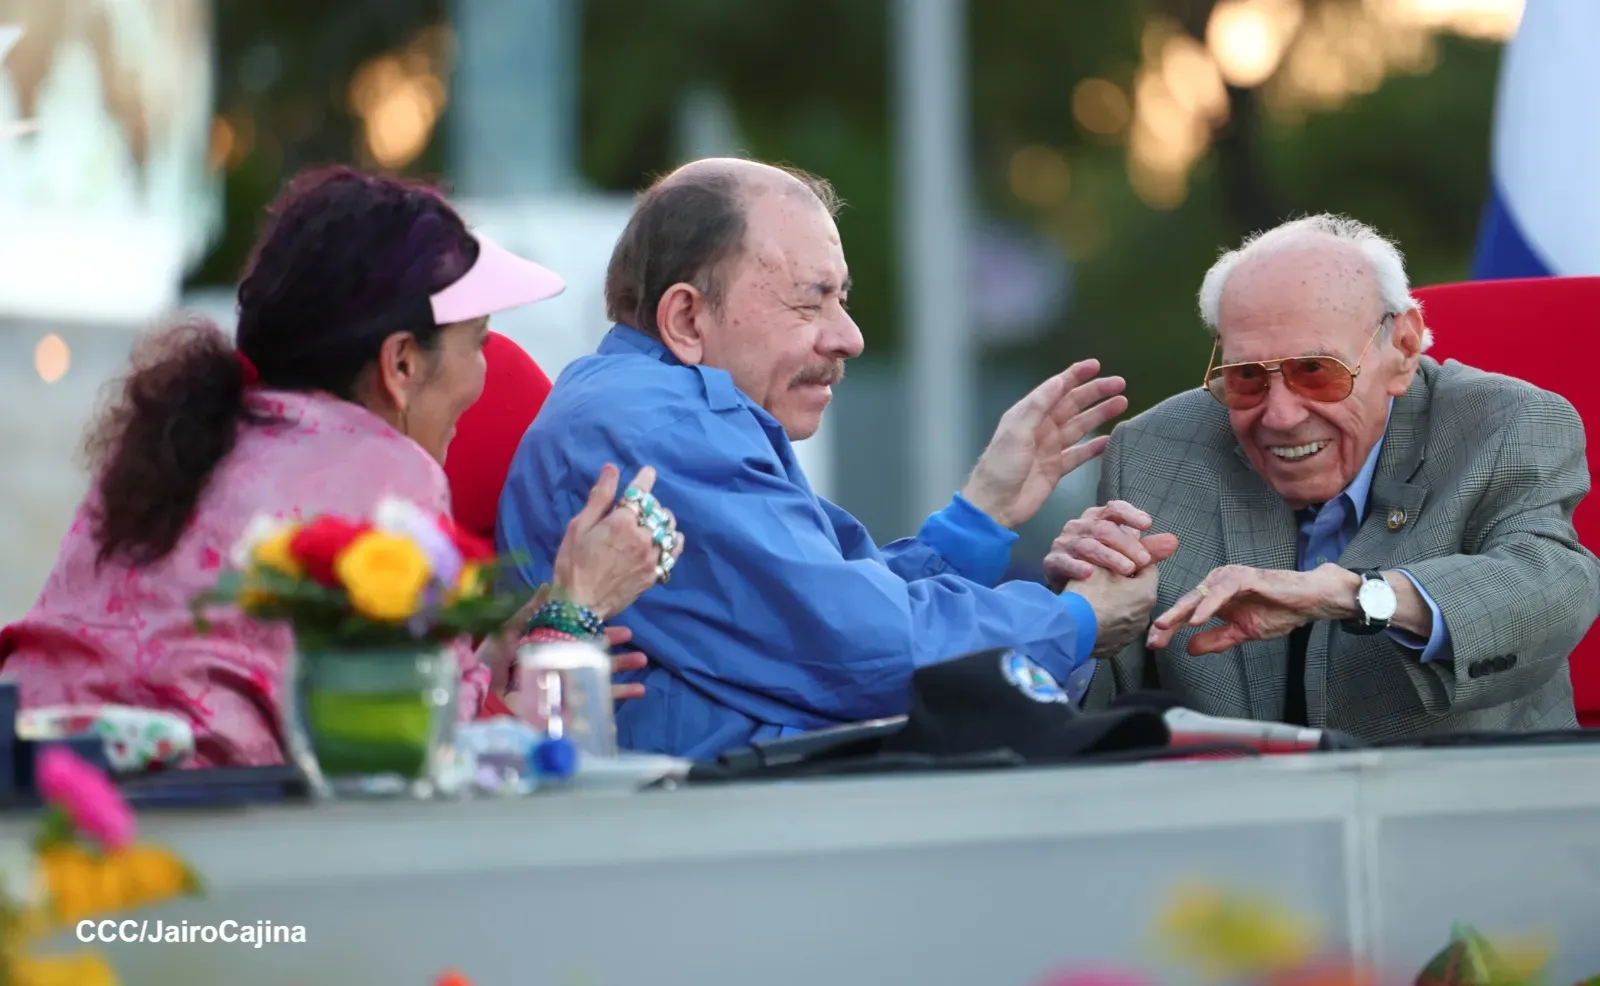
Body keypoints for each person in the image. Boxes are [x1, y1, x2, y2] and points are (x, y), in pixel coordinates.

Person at [0, 166, 680, 766]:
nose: (484, 375)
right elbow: (461, 756)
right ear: (402, 364)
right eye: (477, 342)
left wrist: (516, 632)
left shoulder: (183, 442)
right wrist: (575, 611)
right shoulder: (382, 476)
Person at [497, 157, 1163, 760]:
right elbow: (865, 652)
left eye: (840, 297)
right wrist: (1077, 621)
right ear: (687, 322)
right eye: (810, 299)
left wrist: (979, 518)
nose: (850, 336)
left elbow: (833, 599)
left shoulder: (652, 405)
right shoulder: (654, 425)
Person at [1046, 214, 1600, 739]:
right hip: (1232, 818)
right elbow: (1105, 710)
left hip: (1464, 814)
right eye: (1246, 377)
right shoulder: (1154, 451)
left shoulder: (1505, 425)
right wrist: (1078, 623)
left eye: (1315, 371)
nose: (1281, 416)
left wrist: (1356, 594)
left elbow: (1552, 588)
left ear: (1403, 348)